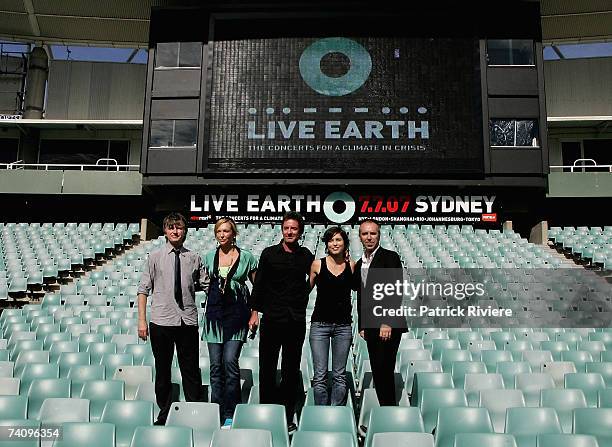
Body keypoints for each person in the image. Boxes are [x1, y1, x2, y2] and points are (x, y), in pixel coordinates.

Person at [137, 212, 209, 425]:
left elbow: (207, 286)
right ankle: (165, 412)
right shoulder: (154, 257)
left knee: (191, 369)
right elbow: (143, 290)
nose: (175, 231)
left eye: (179, 228)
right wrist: (142, 321)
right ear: (165, 231)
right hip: (161, 321)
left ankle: (194, 410)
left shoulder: (194, 257)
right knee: (163, 369)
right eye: (171, 228)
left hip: (187, 321)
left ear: (185, 231)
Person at [248, 211, 314, 432]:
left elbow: (314, 279)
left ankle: (287, 416)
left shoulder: (306, 255)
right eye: (286, 228)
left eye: (294, 228)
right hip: (272, 318)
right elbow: (259, 286)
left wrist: (302, 296)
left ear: (300, 232)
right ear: (282, 229)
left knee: (290, 369)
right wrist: (254, 312)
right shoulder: (268, 254)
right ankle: (266, 412)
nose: (290, 232)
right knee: (266, 366)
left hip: (295, 320)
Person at [202, 217, 257, 427]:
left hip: (237, 315)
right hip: (214, 317)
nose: (222, 234)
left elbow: (257, 287)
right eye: (219, 231)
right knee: (215, 367)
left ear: (234, 233)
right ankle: (216, 410)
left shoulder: (247, 257)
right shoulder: (208, 257)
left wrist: (255, 313)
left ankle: (232, 412)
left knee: (230, 363)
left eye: (226, 231)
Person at [354, 219, 405, 406]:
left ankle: (389, 411)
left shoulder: (389, 257)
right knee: (377, 370)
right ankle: (386, 411)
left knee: (384, 370)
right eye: (365, 234)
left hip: (387, 325)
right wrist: (363, 325)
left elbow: (395, 290)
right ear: (359, 237)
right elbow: (361, 296)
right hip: (371, 325)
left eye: (373, 233)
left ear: (379, 235)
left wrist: (387, 322)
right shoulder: (361, 262)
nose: (369, 237)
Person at [308, 226, 355, 406]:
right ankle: (320, 413)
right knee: (320, 375)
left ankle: (336, 414)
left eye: (338, 240)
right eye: (331, 240)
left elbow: (361, 290)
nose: (335, 244)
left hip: (343, 326)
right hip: (319, 325)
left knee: (339, 375)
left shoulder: (351, 265)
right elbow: (304, 291)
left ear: (345, 243)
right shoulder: (317, 264)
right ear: (326, 244)